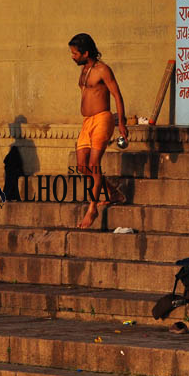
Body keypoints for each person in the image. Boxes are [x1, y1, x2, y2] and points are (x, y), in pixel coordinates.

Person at [68, 33, 128, 229]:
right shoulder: (84, 70)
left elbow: (117, 95)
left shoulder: (103, 70)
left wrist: (122, 123)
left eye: (75, 53)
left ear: (86, 52)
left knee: (94, 164)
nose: (72, 56)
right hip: (87, 122)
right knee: (82, 166)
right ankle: (114, 192)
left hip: (103, 119)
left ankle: (92, 209)